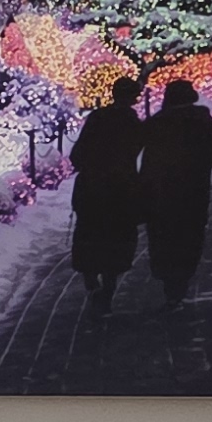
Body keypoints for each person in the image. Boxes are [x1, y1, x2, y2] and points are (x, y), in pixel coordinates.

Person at [139, 79, 212, 306]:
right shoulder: (201, 121)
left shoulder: (157, 123)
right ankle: (181, 280)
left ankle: (168, 280)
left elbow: (144, 156)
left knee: (163, 235)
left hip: (160, 191)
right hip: (193, 187)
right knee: (190, 234)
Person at [63, 75, 149, 315]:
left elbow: (77, 155)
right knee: (116, 242)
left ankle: (91, 283)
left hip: (91, 188)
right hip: (121, 191)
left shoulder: (97, 118)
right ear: (134, 98)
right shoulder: (134, 125)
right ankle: (107, 291)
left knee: (89, 237)